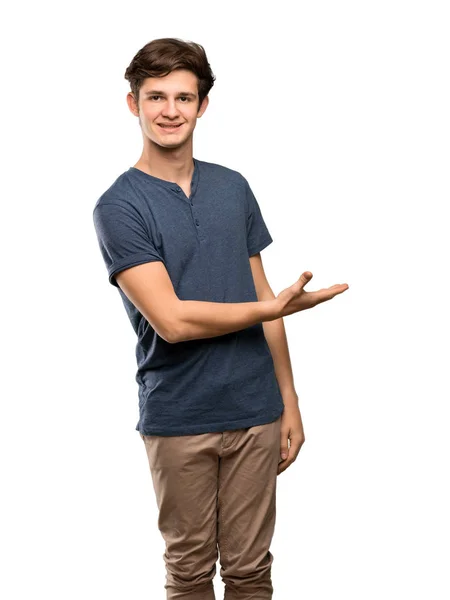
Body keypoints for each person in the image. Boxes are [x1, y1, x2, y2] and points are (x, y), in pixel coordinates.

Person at [92, 37, 348, 600]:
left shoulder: (233, 187)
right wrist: (272, 307)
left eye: (183, 97)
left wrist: (290, 402)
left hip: (256, 410)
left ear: (202, 106)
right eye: (155, 96)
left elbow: (263, 298)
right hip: (180, 416)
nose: (169, 111)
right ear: (132, 104)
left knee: (252, 572)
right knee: (188, 574)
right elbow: (173, 321)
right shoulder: (119, 206)